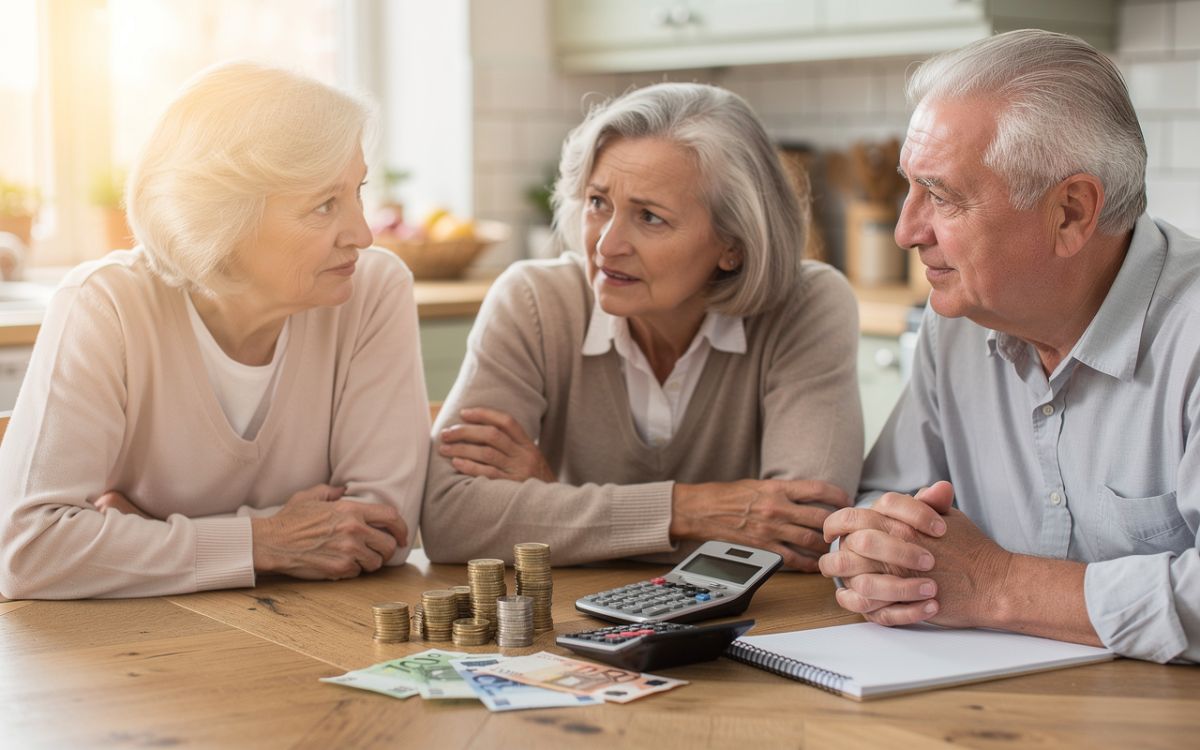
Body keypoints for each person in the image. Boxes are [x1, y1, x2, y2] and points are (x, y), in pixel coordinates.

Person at [818, 29, 1200, 663]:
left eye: (940, 195)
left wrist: (995, 584)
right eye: (909, 188)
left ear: (1071, 213)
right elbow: (883, 503)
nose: (907, 230)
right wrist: (874, 549)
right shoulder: (959, 319)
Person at [0, 62, 428, 599]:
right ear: (223, 219)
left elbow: (382, 530)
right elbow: (30, 551)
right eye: (324, 204)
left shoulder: (372, 290)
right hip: (135, 654)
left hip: (317, 636)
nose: (362, 235)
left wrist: (147, 535)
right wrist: (263, 542)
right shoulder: (106, 304)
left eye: (357, 191)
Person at [422, 82, 863, 570]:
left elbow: (805, 535)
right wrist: (688, 511)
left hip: (755, 632)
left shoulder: (807, 305)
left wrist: (556, 507)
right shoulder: (533, 301)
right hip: (565, 625)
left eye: (650, 217)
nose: (606, 246)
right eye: (597, 203)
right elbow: (448, 521)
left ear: (732, 243)